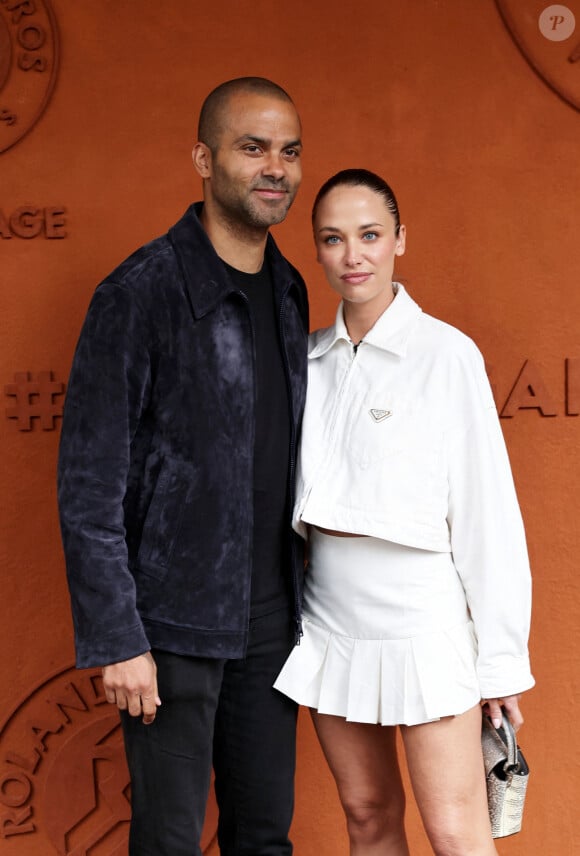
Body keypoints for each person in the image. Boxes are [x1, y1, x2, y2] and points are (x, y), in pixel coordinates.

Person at [58, 77, 309, 856]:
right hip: (168, 630)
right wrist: (119, 638)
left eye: (290, 151)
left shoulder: (293, 289)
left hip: (272, 626)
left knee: (264, 837)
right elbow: (88, 485)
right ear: (203, 158)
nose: (276, 167)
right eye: (253, 147)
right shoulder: (139, 294)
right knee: (168, 841)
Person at [274, 169, 534, 855]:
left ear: (399, 240)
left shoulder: (446, 355)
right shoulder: (305, 361)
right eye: (333, 239)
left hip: (423, 622)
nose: (353, 255)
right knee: (366, 815)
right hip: (331, 617)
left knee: (455, 831)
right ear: (318, 249)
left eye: (369, 235)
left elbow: (488, 514)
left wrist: (502, 662)